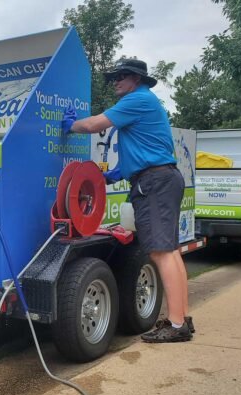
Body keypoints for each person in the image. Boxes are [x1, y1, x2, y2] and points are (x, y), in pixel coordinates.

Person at [61, 58, 193, 343]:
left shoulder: (137, 100)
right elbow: (147, 148)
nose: (116, 81)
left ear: (137, 79)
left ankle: (176, 324)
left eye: (122, 76)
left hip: (154, 183)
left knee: (160, 252)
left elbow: (97, 124)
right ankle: (182, 317)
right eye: (114, 77)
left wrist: (72, 126)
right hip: (162, 177)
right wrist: (116, 174)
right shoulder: (146, 102)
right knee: (170, 251)